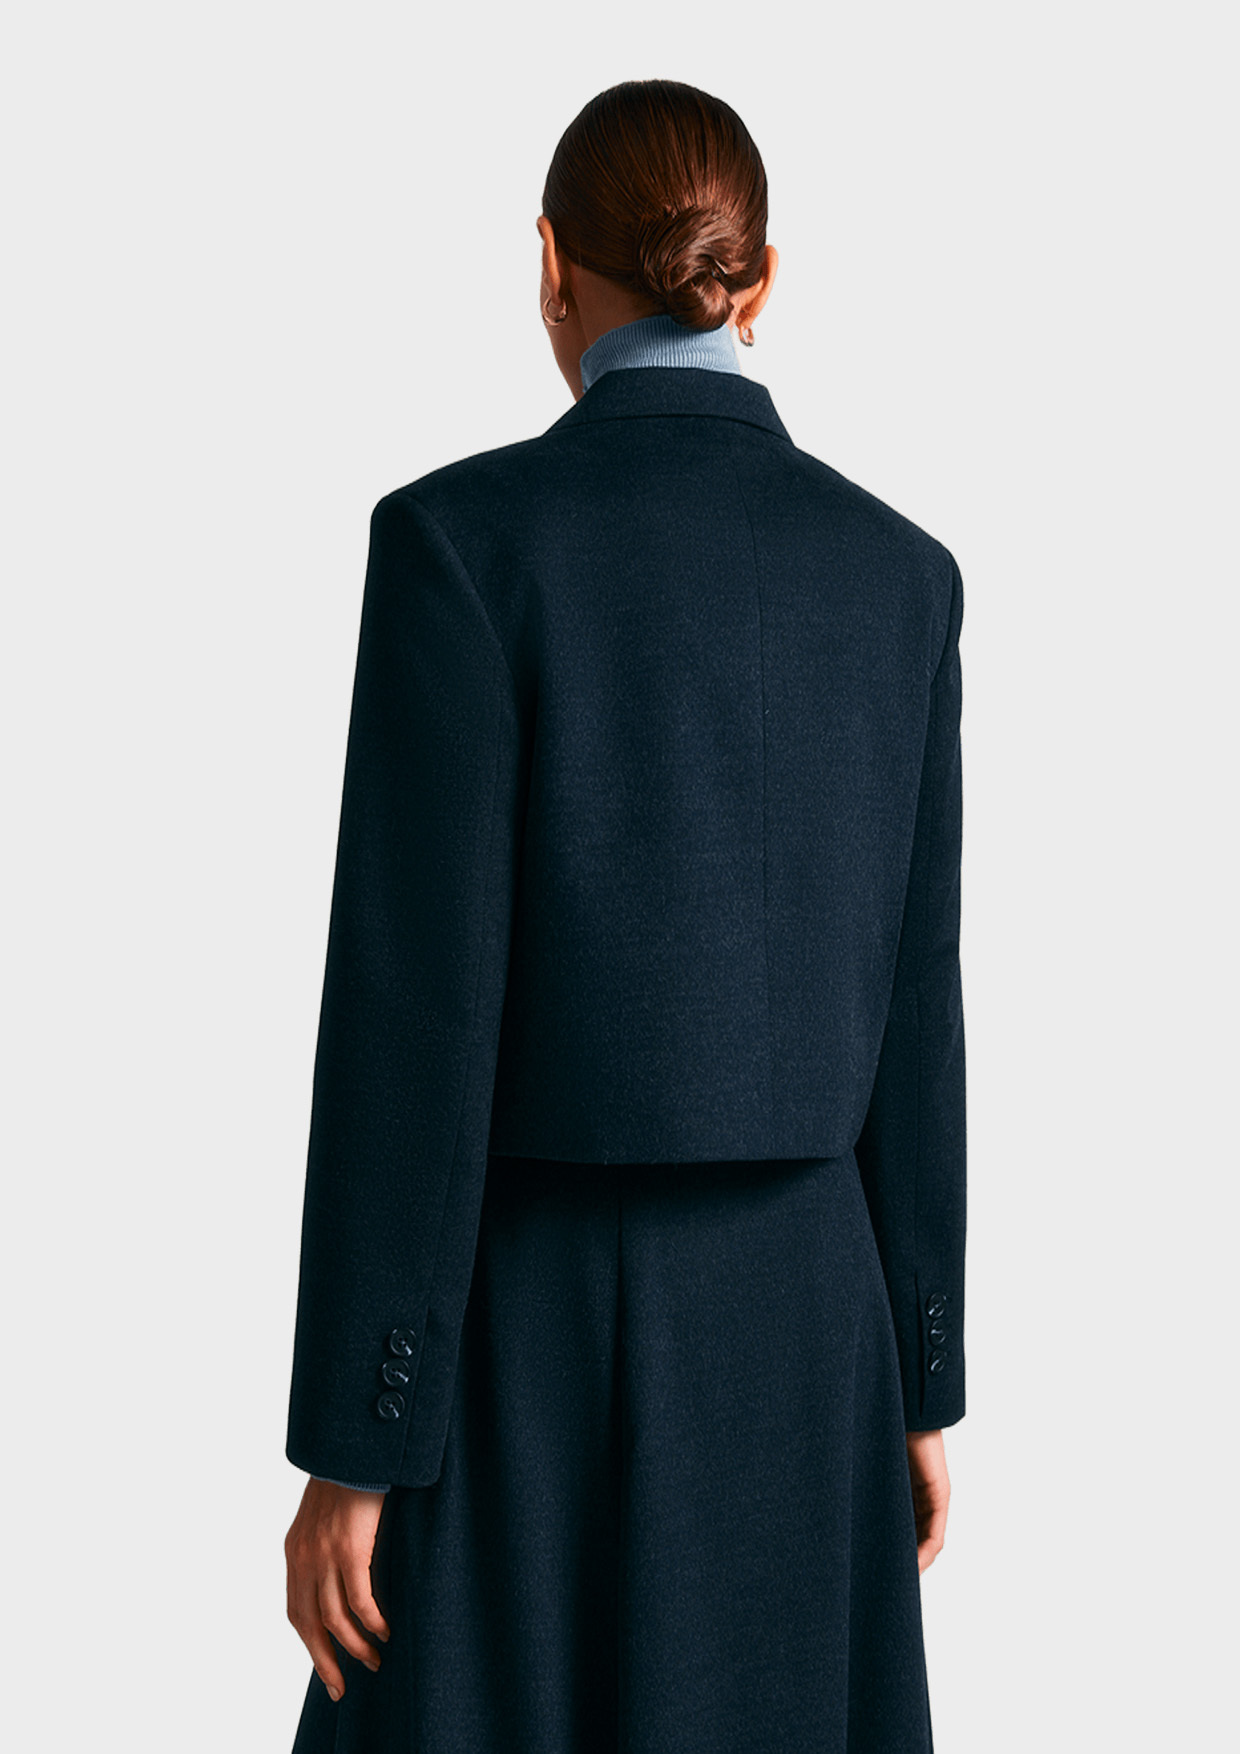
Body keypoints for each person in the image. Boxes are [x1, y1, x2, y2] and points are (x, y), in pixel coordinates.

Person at [284, 77, 966, 1754]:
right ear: (761, 279)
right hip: (812, 1322)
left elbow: (412, 1021)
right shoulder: (903, 573)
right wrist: (920, 1376)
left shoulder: (457, 547)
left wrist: (356, 1442)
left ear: (549, 265)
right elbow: (918, 1001)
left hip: (525, 1331)